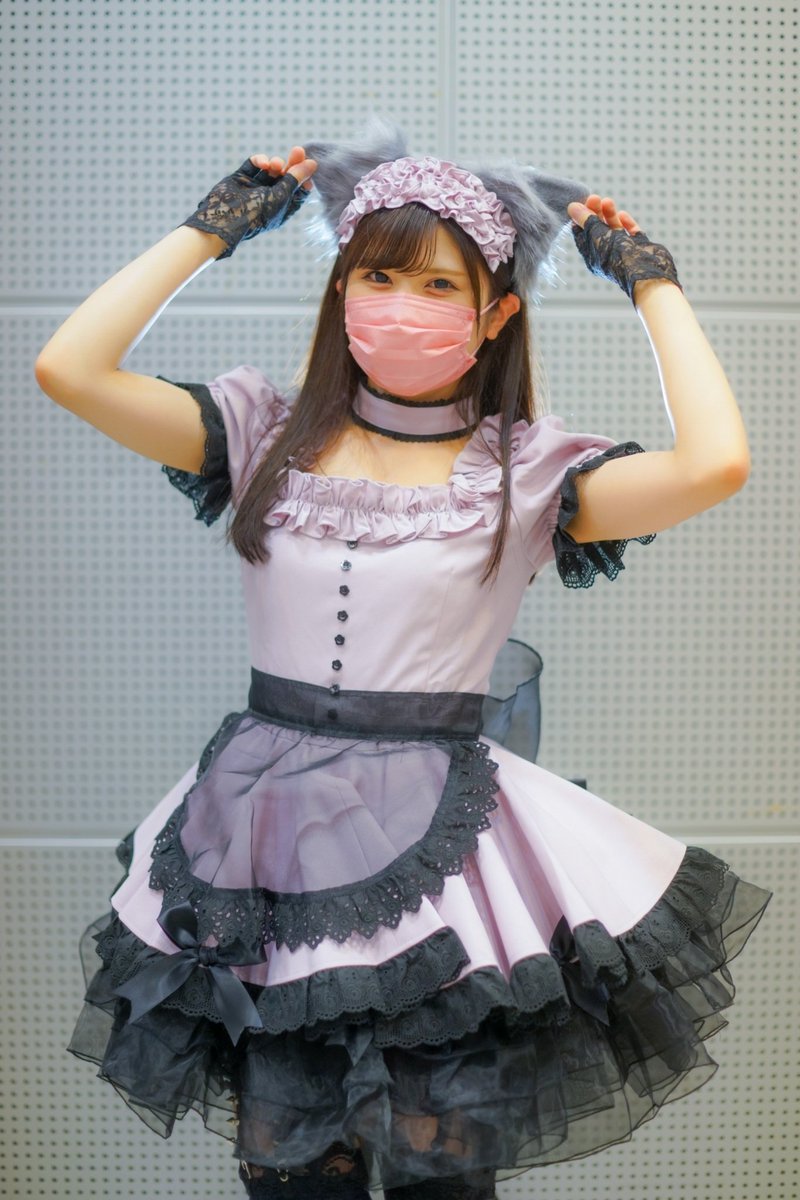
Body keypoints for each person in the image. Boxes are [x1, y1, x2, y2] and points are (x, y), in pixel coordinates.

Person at [37, 116, 773, 1200]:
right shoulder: (260, 433)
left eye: (438, 286)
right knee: (291, 1173)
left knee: (442, 1173)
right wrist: (211, 229)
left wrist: (650, 283)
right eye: (379, 276)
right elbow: (67, 367)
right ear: (342, 289)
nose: (402, 304)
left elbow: (715, 464)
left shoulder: (527, 473)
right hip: (259, 844)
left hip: (444, 862)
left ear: (494, 314)